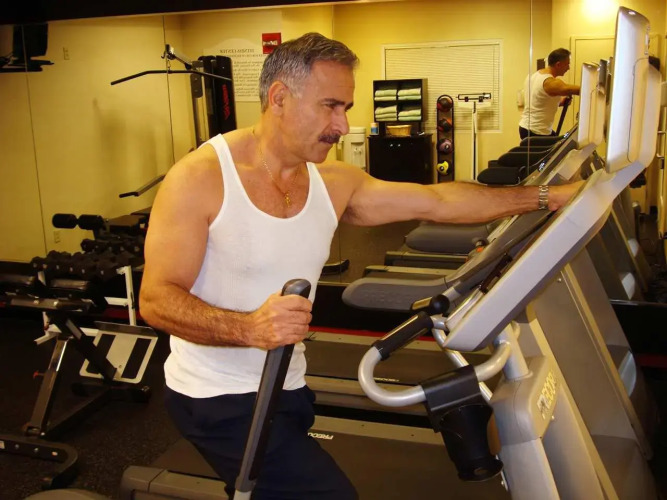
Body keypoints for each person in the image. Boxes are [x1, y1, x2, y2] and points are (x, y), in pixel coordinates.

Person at [139, 33, 581, 499]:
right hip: (215, 397)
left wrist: (548, 197)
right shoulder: (201, 178)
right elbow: (156, 299)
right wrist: (249, 328)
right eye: (330, 106)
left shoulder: (332, 182)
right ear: (280, 98)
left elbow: (438, 201)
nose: (343, 126)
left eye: (346, 108)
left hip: (288, 382)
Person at [518, 48, 581, 140]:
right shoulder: (550, 82)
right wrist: (597, 89)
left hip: (526, 127)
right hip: (537, 131)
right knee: (562, 143)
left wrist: (560, 102)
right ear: (558, 64)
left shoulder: (534, 76)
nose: (568, 68)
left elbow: (539, 101)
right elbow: (578, 90)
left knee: (560, 142)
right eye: (567, 64)